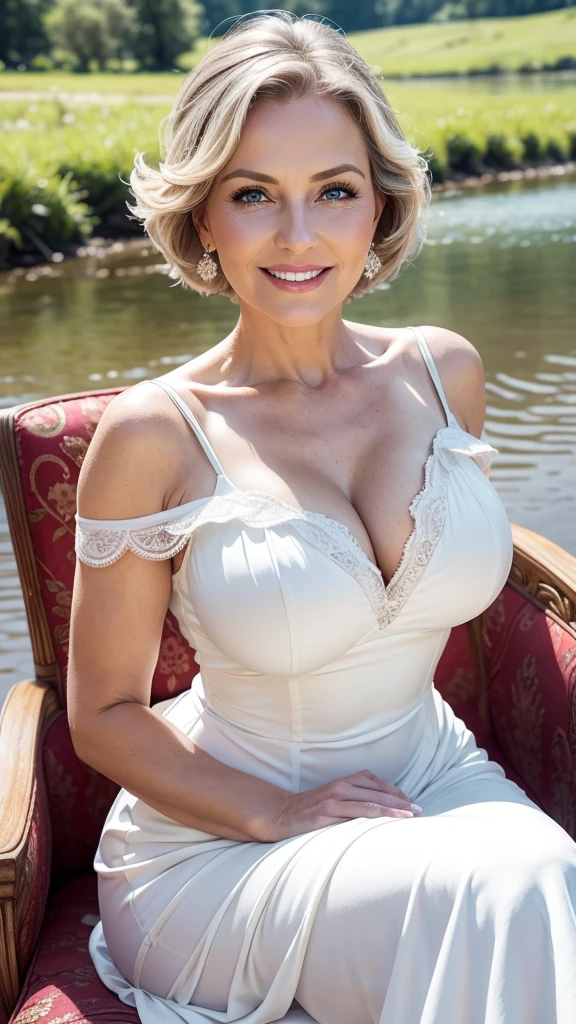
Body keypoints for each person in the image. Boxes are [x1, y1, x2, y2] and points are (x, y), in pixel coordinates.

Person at [68, 11, 576, 1024]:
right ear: (202, 216)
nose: (298, 236)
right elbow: (101, 715)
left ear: (379, 205)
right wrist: (273, 810)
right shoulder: (152, 436)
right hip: (220, 843)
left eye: (333, 191)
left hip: (434, 776)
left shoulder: (445, 372)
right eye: (254, 195)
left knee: (541, 875)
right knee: (508, 891)